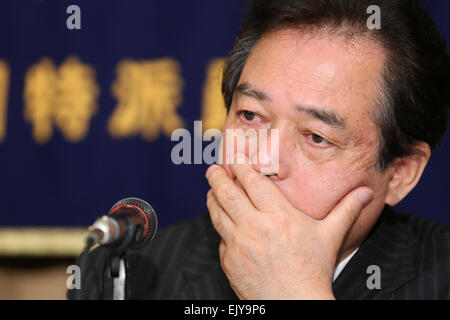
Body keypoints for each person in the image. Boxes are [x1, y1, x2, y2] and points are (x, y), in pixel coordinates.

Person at [71, 0, 450, 300]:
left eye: (317, 137)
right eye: (251, 115)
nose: (264, 159)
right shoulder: (124, 275)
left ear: (401, 172)